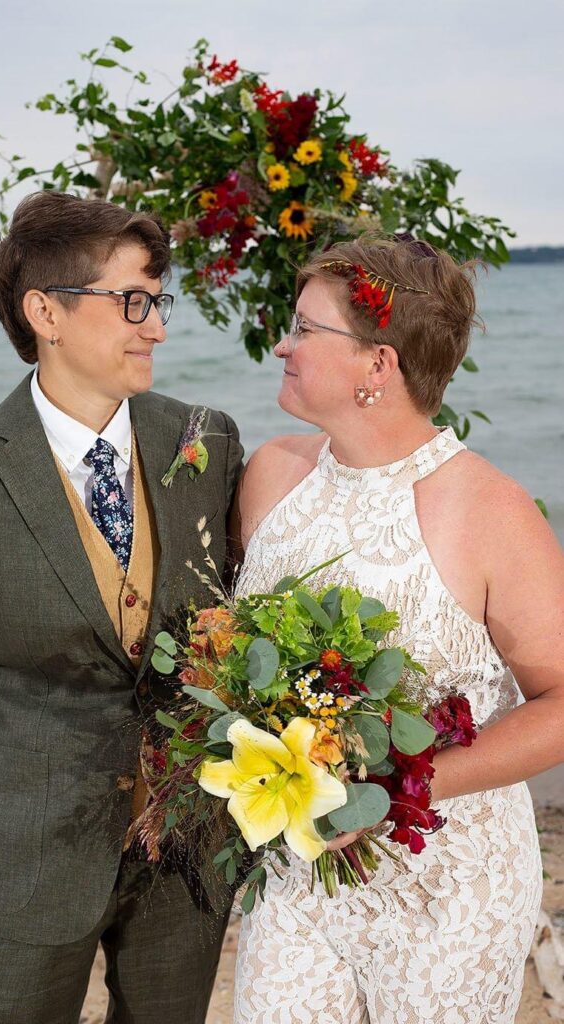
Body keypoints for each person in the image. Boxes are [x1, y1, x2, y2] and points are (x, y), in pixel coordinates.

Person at [0, 190, 243, 1024]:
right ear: (45, 311)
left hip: (184, 851)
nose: (155, 327)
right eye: (132, 302)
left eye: (158, 302)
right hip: (18, 857)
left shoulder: (206, 439)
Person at [232, 235, 564, 1023]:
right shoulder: (272, 473)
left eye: (307, 330)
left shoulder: (491, 510)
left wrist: (390, 792)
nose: (283, 343)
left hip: (446, 886)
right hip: (299, 875)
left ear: (377, 366)